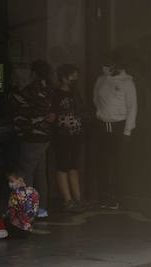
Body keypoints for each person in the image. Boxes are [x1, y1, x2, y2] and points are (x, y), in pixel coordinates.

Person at [91, 54, 135, 210]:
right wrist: (101, 113)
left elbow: (132, 108)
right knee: (102, 162)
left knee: (117, 164)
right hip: (102, 125)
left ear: (117, 65)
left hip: (119, 126)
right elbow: (95, 98)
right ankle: (103, 196)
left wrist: (127, 131)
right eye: (104, 64)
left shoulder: (127, 82)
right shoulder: (101, 80)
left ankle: (115, 196)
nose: (105, 67)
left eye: (109, 64)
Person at [13, 59, 54, 216]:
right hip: (45, 136)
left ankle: (27, 209)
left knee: (25, 172)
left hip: (32, 136)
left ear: (34, 72)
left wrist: (16, 86)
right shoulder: (50, 88)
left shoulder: (31, 90)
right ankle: (42, 208)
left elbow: (17, 101)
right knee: (40, 172)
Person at [52, 63, 86, 211]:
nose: (75, 78)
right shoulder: (56, 94)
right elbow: (51, 116)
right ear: (64, 78)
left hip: (75, 135)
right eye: (72, 75)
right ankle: (68, 200)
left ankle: (78, 198)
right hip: (61, 136)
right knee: (63, 166)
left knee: (73, 166)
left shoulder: (75, 93)